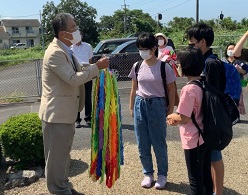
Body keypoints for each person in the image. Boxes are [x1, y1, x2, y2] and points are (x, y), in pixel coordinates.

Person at [39, 13, 109, 195]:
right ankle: (58, 190)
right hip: (56, 115)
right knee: (56, 158)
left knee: (63, 155)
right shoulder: (55, 52)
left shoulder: (65, 49)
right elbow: (72, 78)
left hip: (64, 113)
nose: (77, 30)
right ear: (63, 33)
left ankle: (63, 186)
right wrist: (96, 68)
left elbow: (79, 68)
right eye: (74, 28)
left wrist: (95, 67)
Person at [128, 33, 176, 189]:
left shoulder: (164, 67)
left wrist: (170, 109)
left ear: (154, 48)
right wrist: (131, 107)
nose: (142, 52)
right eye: (140, 49)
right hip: (140, 103)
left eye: (145, 48)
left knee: (159, 143)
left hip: (157, 104)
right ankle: (148, 174)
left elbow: (171, 89)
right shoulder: (137, 66)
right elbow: (134, 88)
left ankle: (162, 175)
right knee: (142, 143)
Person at [185, 23, 226, 195]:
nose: (190, 46)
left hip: (210, 121)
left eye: (192, 43)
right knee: (211, 157)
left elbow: (212, 95)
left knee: (214, 156)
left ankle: (218, 191)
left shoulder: (209, 63)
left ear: (202, 42)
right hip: (209, 120)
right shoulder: (208, 61)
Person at [167, 46, 213, 195]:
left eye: (179, 64)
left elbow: (184, 117)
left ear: (186, 66)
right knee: (205, 176)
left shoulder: (188, 89)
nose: (177, 66)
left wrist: (171, 116)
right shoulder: (204, 82)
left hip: (193, 139)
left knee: (195, 180)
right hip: (205, 136)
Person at [71, 35, 94, 128]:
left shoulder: (88, 46)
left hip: (87, 72)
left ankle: (88, 118)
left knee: (88, 96)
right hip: (76, 73)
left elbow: (90, 60)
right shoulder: (70, 48)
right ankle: (77, 119)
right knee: (77, 96)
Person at [224, 43, 248, 114]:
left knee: (237, 101)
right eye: (229, 49)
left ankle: (236, 115)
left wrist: (240, 70)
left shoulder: (240, 62)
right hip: (225, 86)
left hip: (237, 86)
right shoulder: (223, 61)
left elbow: (246, 72)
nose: (231, 50)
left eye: (233, 49)